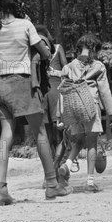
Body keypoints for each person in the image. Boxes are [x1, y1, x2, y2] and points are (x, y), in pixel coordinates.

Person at [0, 0, 72, 205]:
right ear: (18, 3)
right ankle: (52, 185)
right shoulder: (26, 24)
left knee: (5, 136)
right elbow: (46, 52)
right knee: (41, 134)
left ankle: (1, 190)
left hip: (0, 85)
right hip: (22, 83)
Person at [56, 33, 112, 193]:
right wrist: (111, 112)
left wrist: (60, 115)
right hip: (91, 105)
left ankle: (67, 164)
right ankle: (90, 182)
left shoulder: (68, 67)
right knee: (91, 143)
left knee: (78, 141)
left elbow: (61, 91)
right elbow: (105, 91)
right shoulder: (98, 66)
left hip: (73, 106)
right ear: (94, 49)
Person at [34, 25, 68, 159]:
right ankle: (60, 161)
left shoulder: (35, 51)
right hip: (56, 89)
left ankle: (50, 164)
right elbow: (66, 68)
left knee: (45, 131)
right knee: (59, 128)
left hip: (42, 92)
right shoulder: (58, 48)